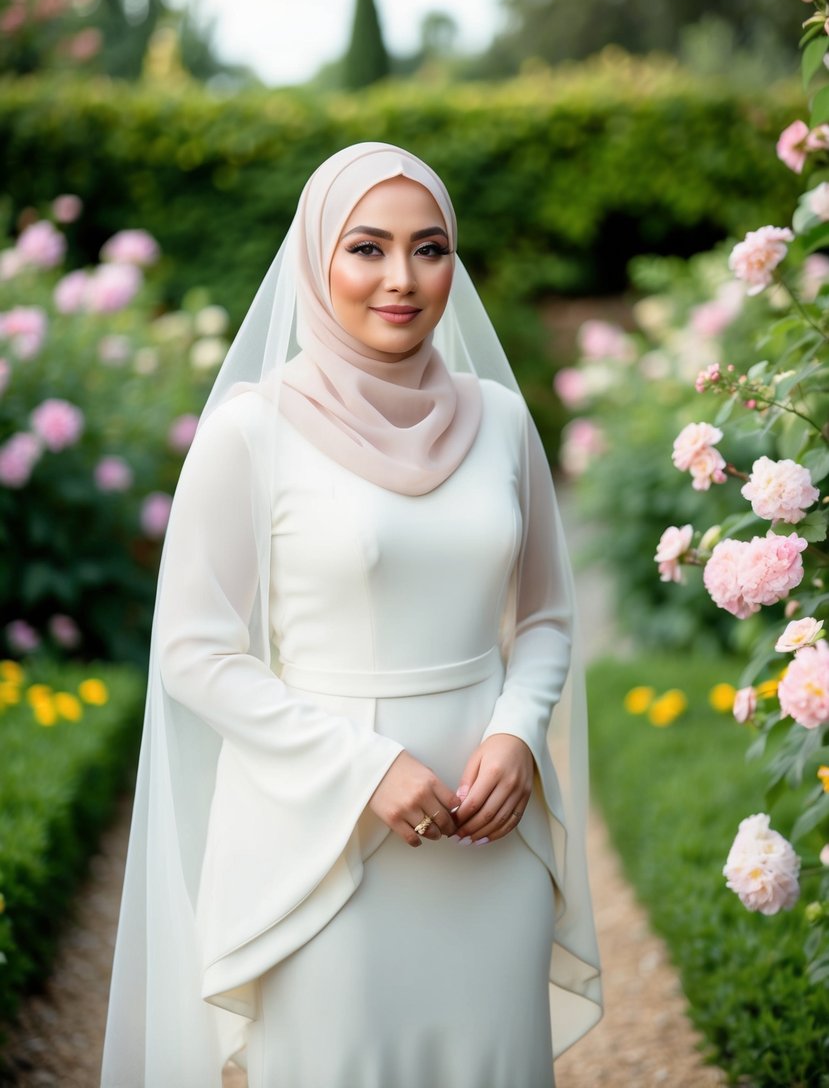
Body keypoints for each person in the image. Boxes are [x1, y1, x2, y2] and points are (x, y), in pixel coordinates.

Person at [101, 142, 602, 1087]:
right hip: (321, 837)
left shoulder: (501, 419)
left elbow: (544, 617)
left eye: (430, 248)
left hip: (490, 830)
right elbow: (195, 651)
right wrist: (364, 767)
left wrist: (518, 733)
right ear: (316, 258)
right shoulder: (253, 428)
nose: (402, 279)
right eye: (367, 248)